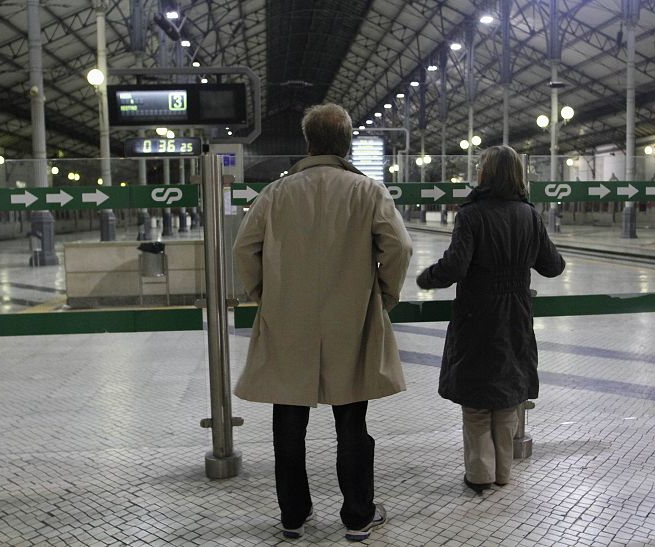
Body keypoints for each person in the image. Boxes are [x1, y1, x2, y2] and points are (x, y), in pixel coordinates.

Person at [232, 103, 413, 541]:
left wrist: (265, 297)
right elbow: (399, 249)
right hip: (350, 321)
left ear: (308, 143)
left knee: (288, 423)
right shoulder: (367, 191)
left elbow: (243, 250)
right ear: (347, 144)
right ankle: (357, 516)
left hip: (288, 321)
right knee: (352, 422)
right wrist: (383, 296)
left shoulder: (276, 193)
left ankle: (293, 516)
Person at [416, 145, 565, 493]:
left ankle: (479, 475)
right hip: (516, 316)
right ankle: (503, 473)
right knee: (507, 397)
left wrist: (426, 278)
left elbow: (455, 266)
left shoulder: (472, 215)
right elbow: (553, 266)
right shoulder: (530, 214)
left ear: (486, 174)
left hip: (478, 315)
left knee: (478, 400)